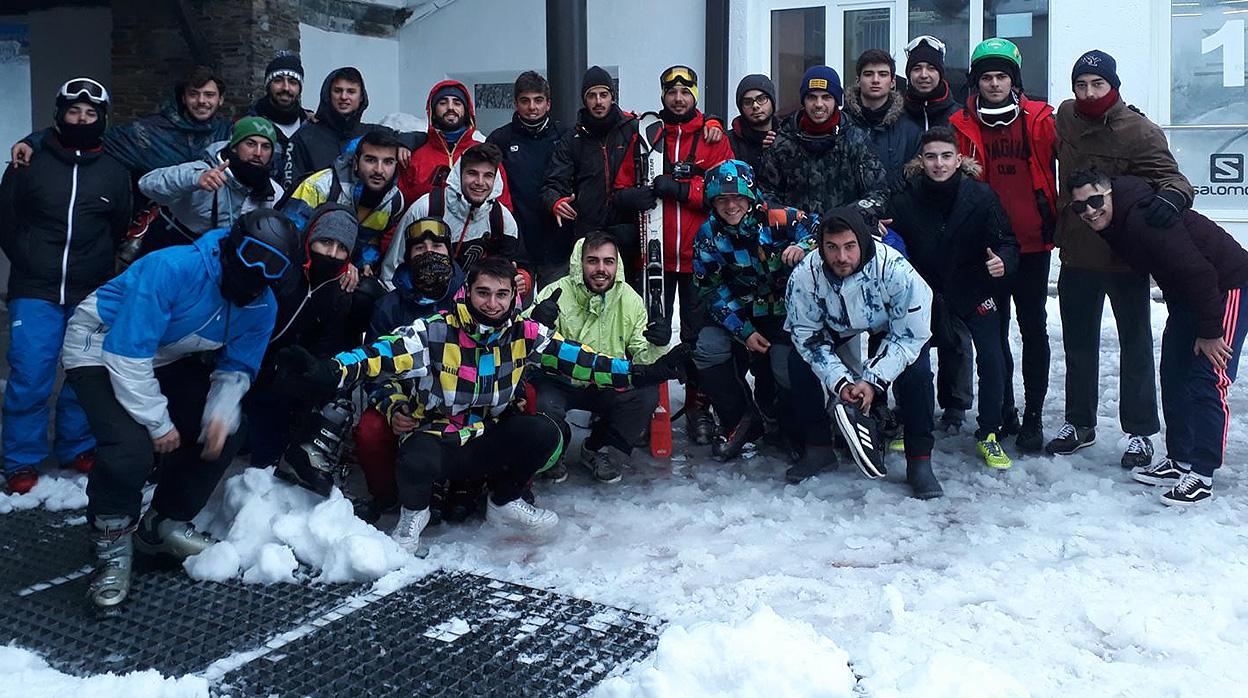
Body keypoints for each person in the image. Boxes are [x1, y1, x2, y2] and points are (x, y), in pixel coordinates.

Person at [274, 256, 688, 555]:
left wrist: (646, 373)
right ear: (467, 292)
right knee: (415, 457)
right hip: (437, 438)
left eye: (501, 295)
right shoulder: (434, 332)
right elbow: (378, 356)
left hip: (488, 436)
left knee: (545, 431)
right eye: (483, 293)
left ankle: (505, 501)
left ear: (513, 297)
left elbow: (585, 361)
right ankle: (412, 516)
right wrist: (330, 371)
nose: (492, 304)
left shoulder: (525, 333)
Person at [61, 210, 301, 609]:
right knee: (129, 451)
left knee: (224, 434)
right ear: (230, 247)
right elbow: (125, 352)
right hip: (101, 348)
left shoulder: (263, 306)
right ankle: (111, 545)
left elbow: (237, 367)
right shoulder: (172, 268)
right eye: (251, 255)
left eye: (273, 266)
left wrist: (219, 414)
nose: (257, 271)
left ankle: (161, 524)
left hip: (164, 354)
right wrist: (157, 423)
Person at [1068, 170, 1248, 506]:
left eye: (1095, 201)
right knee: (1173, 372)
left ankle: (1203, 474)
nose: (1090, 211)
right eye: (1081, 208)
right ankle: (1180, 460)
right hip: (1189, 295)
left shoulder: (1141, 219)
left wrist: (1210, 332)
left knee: (1208, 376)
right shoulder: (1115, 222)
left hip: (1227, 286)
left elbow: (1200, 271)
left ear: (1110, 194)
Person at [1049, 50, 1192, 467]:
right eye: (1081, 85)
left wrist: (1170, 198)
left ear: (1114, 86)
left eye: (1098, 84)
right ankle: (1079, 422)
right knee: (1077, 345)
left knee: (1135, 346)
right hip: (1076, 252)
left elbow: (1175, 178)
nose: (1089, 92)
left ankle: (1141, 432)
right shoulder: (1067, 116)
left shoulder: (1140, 131)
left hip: (1125, 256)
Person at [0, 79, 132, 494]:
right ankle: (21, 458)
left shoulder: (113, 171)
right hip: (35, 286)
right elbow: (7, 217)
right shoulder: (29, 161)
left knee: (83, 373)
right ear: (59, 115)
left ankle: (77, 445)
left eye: (90, 114)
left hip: (88, 288)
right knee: (31, 372)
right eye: (74, 112)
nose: (81, 119)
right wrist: (26, 256)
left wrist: (100, 267)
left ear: (102, 120)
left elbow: (120, 224)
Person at [612, 65, 735, 445]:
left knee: (698, 337)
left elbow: (727, 193)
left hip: (701, 256)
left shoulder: (713, 137)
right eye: (671, 92)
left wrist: (683, 190)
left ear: (695, 95)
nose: (678, 98)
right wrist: (633, 196)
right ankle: (650, 405)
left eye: (685, 91)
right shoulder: (647, 135)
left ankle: (699, 407)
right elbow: (621, 187)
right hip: (656, 256)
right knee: (652, 334)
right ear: (663, 95)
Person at [785, 207, 942, 499]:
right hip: (836, 321)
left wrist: (871, 381)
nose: (841, 257)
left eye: (849, 247)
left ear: (862, 242)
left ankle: (920, 460)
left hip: (890, 323)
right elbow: (806, 335)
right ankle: (818, 448)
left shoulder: (896, 270)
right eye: (831, 248)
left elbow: (911, 335)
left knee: (917, 373)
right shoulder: (806, 275)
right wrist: (842, 383)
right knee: (797, 360)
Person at [887, 127, 1020, 469]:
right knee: (911, 358)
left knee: (992, 358)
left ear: (959, 159)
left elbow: (1007, 240)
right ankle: (914, 422)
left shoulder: (981, 196)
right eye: (931, 157)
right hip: (924, 291)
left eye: (946, 156)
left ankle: (989, 433)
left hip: (973, 288)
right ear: (921, 161)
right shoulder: (905, 198)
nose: (939, 164)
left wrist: (1002, 262)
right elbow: (891, 243)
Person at [948, 38, 1058, 452]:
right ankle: (1004, 409)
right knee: (993, 336)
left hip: (1032, 245)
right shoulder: (961, 124)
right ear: (976, 82)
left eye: (1002, 76)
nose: (994, 84)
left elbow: (1080, 146)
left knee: (1034, 331)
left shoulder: (1040, 119)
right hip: (986, 248)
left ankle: (1033, 416)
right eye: (986, 77)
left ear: (1014, 80)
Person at [691, 160, 829, 474]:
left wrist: (804, 246)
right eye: (722, 199)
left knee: (785, 368)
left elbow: (825, 232)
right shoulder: (708, 235)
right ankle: (739, 421)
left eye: (738, 198)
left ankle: (792, 429)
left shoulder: (783, 218)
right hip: (740, 312)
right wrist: (743, 330)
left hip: (785, 312)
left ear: (751, 196)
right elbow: (709, 289)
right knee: (708, 348)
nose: (731, 205)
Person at [529, 231, 668, 484]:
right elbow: (523, 345)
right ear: (579, 263)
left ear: (617, 264)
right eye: (592, 261)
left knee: (646, 393)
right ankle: (554, 448)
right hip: (558, 381)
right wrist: (535, 323)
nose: (601, 269)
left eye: (608, 261)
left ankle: (597, 448)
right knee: (537, 401)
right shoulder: (555, 292)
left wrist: (658, 344)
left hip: (608, 379)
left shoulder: (630, 300)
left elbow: (642, 356)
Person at [351, 217, 466, 517]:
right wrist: (394, 405)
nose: (430, 253)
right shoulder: (390, 307)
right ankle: (388, 495)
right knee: (370, 430)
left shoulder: (470, 297)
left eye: (438, 246)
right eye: (420, 248)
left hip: (461, 394)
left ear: (449, 252)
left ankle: (465, 488)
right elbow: (375, 367)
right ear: (407, 256)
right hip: (408, 397)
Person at [246, 203, 369, 471]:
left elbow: (329, 342)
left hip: (282, 374)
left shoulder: (341, 289)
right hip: (247, 356)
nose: (332, 254)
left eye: (341, 248)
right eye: (325, 242)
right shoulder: (284, 264)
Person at [11, 66, 232, 183]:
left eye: (209, 95)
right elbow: (88, 136)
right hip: (159, 234)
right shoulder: (148, 133)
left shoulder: (227, 134)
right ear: (183, 98)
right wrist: (33, 141)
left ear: (220, 99)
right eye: (194, 94)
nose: (202, 101)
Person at [381, 143, 528, 294]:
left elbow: (511, 274)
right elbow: (392, 270)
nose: (480, 182)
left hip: (473, 308)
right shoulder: (427, 208)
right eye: (472, 173)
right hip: (420, 302)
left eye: (488, 176)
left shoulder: (503, 220)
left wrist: (522, 279)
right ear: (459, 174)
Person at [757, 65, 888, 220]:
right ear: (803, 100)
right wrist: (795, 219)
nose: (819, 104)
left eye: (826, 97)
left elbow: (878, 193)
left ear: (836, 101)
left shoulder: (856, 139)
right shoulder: (782, 141)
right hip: (794, 236)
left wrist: (847, 218)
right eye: (812, 97)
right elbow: (765, 195)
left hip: (845, 233)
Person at [137, 116, 283, 247]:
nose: (258, 153)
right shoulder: (204, 171)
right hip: (173, 247)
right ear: (234, 147)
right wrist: (194, 180)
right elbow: (147, 184)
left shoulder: (274, 192)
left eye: (266, 146)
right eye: (250, 144)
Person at [283, 128, 406, 280]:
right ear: (355, 162)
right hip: (302, 266)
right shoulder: (320, 185)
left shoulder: (394, 201)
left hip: (347, 273)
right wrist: (340, 265)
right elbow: (289, 235)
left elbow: (370, 240)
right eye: (370, 160)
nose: (379, 170)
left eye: (388, 162)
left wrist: (365, 262)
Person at [540, 66, 639, 243]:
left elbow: (666, 127)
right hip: (589, 233)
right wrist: (555, 201)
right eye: (592, 96)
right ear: (584, 100)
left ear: (612, 97)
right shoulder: (573, 139)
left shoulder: (632, 129)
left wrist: (707, 121)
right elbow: (553, 183)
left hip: (628, 231)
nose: (598, 101)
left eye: (603, 95)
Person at [487, 71, 568, 288]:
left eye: (538, 100)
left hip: (558, 246)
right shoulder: (500, 139)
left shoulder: (565, 135)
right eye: (525, 101)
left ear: (548, 104)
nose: (532, 107)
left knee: (553, 315)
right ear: (515, 104)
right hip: (516, 245)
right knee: (516, 317)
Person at [398, 80, 511, 210]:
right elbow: (400, 208)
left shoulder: (484, 154)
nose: (450, 107)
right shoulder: (415, 155)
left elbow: (503, 207)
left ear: (467, 111)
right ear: (433, 111)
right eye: (443, 103)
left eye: (457, 103)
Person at [842, 48, 924, 187]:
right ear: (858, 80)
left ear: (892, 82)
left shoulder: (910, 132)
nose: (875, 80)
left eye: (882, 74)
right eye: (868, 74)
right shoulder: (841, 125)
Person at [288, 67, 381, 185]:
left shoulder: (371, 134)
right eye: (338, 91)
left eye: (351, 91)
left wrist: (404, 145)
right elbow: (291, 190)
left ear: (361, 97)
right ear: (328, 94)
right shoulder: (304, 137)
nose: (343, 97)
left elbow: (406, 137)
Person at [248, 52, 315, 190]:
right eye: (278, 80)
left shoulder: (311, 125)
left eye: (293, 82)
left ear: (299, 88)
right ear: (268, 85)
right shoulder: (250, 126)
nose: (285, 88)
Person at [901, 36, 959, 131]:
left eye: (931, 68)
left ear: (940, 74)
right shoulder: (894, 117)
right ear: (909, 74)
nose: (924, 75)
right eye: (917, 69)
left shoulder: (960, 117)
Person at [727, 74, 778, 171]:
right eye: (747, 102)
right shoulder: (729, 142)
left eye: (761, 99)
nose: (755, 106)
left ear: (772, 101)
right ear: (741, 108)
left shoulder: (787, 137)